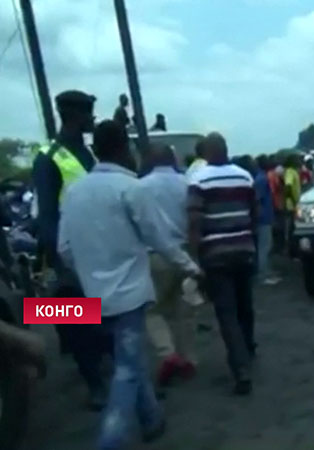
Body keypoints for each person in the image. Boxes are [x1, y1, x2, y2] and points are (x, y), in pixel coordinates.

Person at [58, 120, 201, 449]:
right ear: (125, 148)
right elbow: (160, 240)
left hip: (92, 297)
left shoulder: (75, 191)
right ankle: (110, 439)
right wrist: (191, 267)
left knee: (131, 361)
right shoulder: (130, 190)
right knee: (126, 370)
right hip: (128, 297)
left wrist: (90, 270)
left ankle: (151, 419)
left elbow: (64, 249)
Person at [32, 90, 111, 410]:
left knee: (104, 318)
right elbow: (48, 215)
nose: (93, 119)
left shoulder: (90, 154)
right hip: (69, 253)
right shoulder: (48, 157)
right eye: (89, 115)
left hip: (99, 248)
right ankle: (94, 384)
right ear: (75, 117)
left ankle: (114, 375)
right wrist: (60, 261)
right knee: (78, 320)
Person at [187, 132, 257, 395]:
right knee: (244, 305)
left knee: (226, 313)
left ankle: (241, 369)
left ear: (206, 153)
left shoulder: (198, 179)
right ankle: (248, 348)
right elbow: (254, 212)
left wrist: (194, 257)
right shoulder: (244, 176)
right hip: (243, 249)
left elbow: (194, 220)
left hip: (215, 255)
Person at [130, 144, 200, 388]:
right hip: (186, 252)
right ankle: (188, 358)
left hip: (156, 256)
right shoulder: (186, 184)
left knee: (153, 309)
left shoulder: (141, 187)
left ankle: (167, 353)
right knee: (185, 309)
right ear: (173, 160)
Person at [254, 154, 282, 286]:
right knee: (264, 247)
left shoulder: (262, 177)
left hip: (266, 216)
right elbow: (257, 200)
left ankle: (267, 272)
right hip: (263, 218)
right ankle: (263, 275)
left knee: (266, 246)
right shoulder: (261, 179)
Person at [283, 154, 302, 258]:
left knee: (293, 229)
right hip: (293, 206)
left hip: (295, 204)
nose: (299, 161)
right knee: (293, 231)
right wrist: (294, 201)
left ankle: (293, 252)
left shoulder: (294, 171)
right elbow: (288, 186)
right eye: (297, 159)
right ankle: (293, 253)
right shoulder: (290, 171)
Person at [267, 157, 286, 255]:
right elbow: (277, 187)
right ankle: (280, 247)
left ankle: (276, 247)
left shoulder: (268, 174)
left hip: (272, 203)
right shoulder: (274, 175)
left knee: (275, 227)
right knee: (280, 226)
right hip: (278, 202)